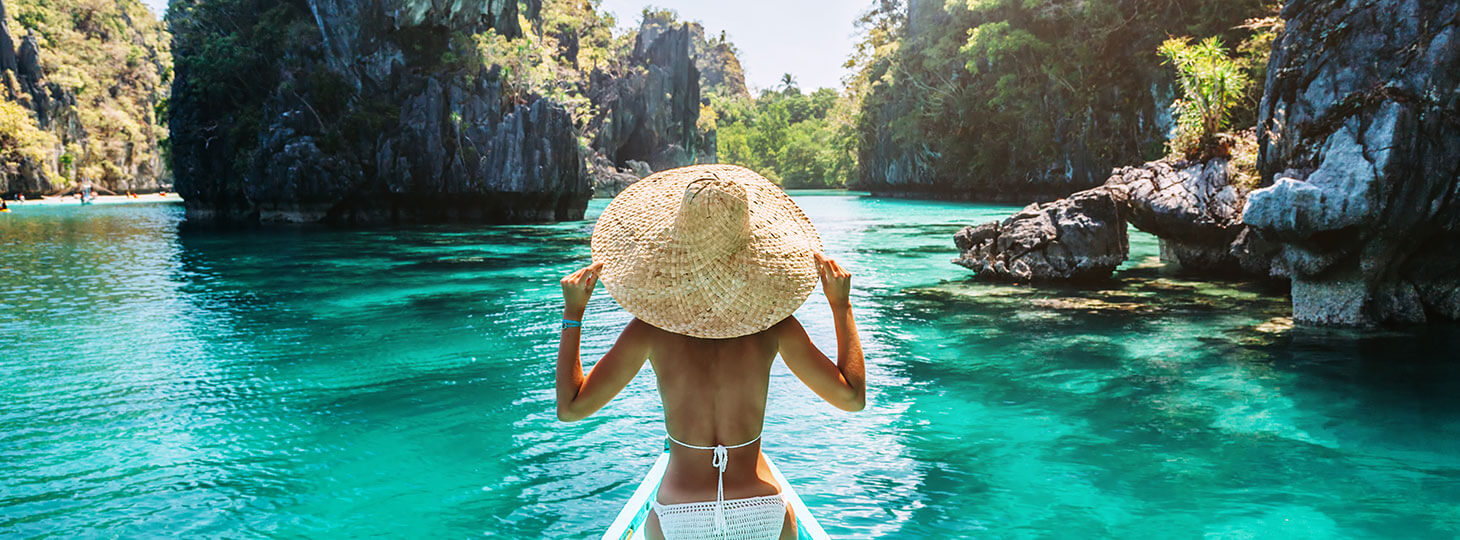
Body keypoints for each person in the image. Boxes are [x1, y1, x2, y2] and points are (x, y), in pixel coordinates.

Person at [555, 164, 866, 540]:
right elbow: (851, 398)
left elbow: (571, 408)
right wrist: (841, 306)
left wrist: (573, 313)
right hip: (763, 509)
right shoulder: (774, 328)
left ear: (675, 248)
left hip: (679, 516)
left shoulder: (650, 332)